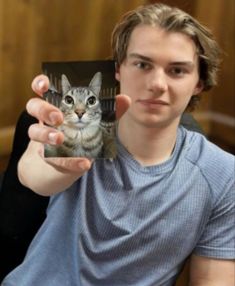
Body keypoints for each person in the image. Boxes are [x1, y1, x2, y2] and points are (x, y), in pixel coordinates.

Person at [2, 3, 235, 285]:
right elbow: (35, 174)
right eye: (142, 64)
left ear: (199, 82)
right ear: (118, 70)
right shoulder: (80, 128)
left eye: (177, 70)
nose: (157, 83)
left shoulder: (223, 174)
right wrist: (60, 165)